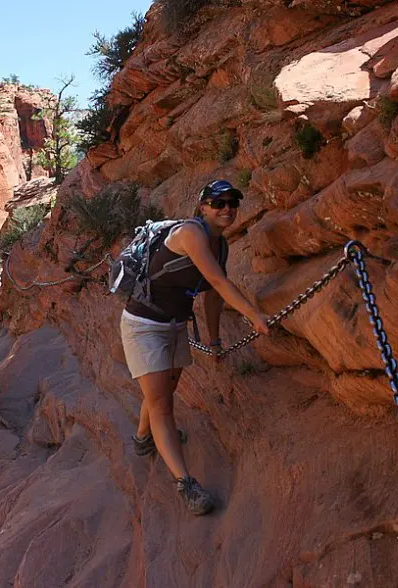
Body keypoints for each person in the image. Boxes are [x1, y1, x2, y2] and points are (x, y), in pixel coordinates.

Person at [119, 179, 271, 516]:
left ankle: (144, 439)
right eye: (219, 203)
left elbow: (213, 295)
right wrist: (254, 317)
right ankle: (186, 485)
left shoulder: (221, 245)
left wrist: (214, 340)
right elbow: (218, 282)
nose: (227, 209)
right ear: (202, 207)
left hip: (174, 325)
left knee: (163, 391)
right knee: (163, 405)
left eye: (233, 203)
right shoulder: (191, 234)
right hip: (143, 325)